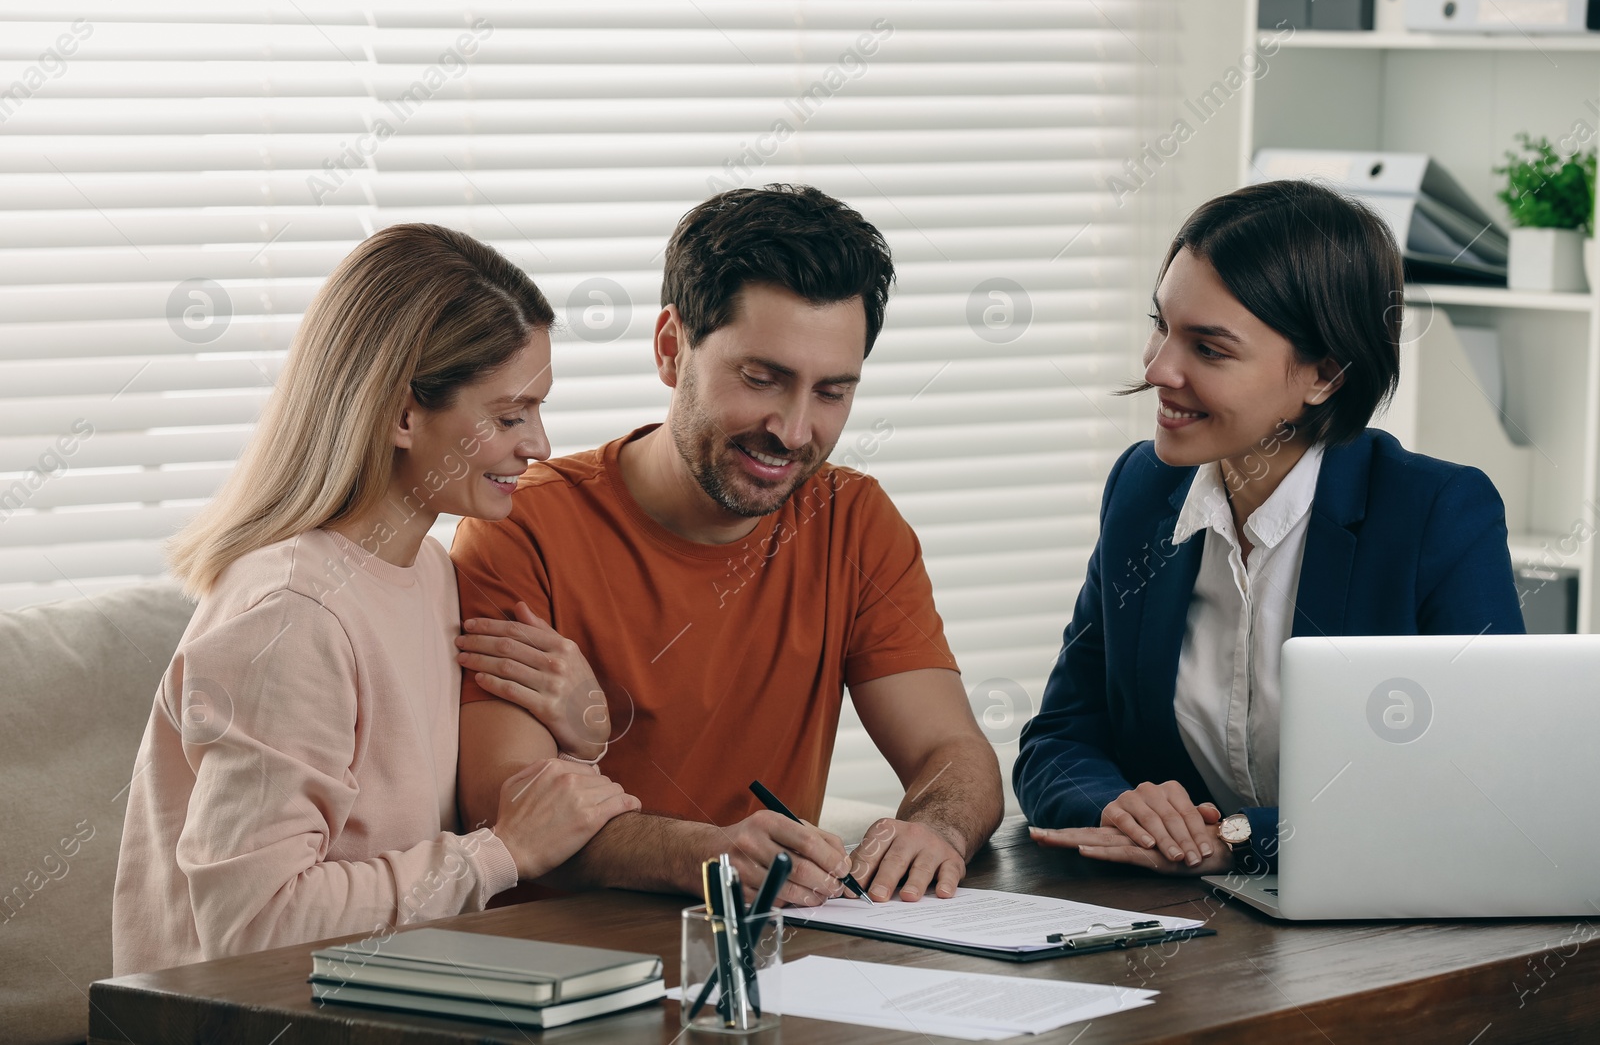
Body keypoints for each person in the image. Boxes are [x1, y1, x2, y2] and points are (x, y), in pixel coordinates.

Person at [452, 184, 1004, 909]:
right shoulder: (522, 524)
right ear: (671, 349)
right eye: (762, 378)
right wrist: (705, 854)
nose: (795, 430)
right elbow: (506, 810)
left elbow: (955, 755)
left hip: (769, 962)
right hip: (568, 973)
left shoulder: (855, 523)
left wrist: (934, 828)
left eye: (832, 391)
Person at [112, 224, 639, 975]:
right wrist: (500, 853)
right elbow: (254, 927)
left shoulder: (428, 570)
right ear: (402, 415)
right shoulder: (293, 613)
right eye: (510, 415)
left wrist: (580, 724)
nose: (541, 445)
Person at [1015, 180, 1524, 876]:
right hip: (1187, 925)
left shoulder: (1437, 515)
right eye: (1160, 325)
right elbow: (1060, 735)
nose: (1158, 366)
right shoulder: (1143, 488)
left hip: (1381, 930)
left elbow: (1482, 784)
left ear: (1323, 373)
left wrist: (1237, 839)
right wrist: (1120, 808)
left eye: (1209, 348)